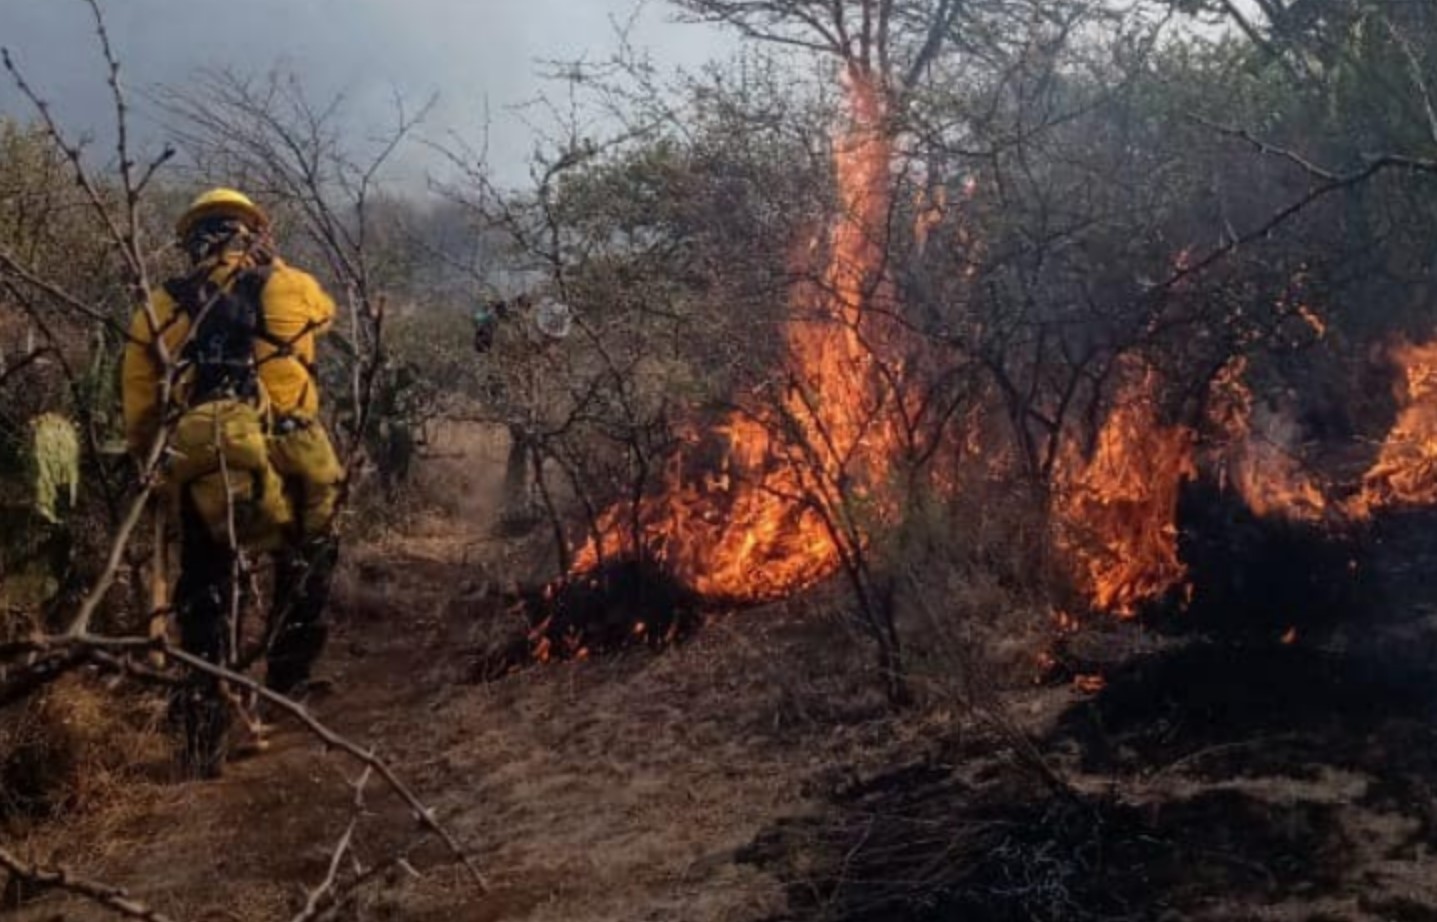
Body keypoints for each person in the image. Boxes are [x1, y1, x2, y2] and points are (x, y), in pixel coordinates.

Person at [121, 188, 345, 771]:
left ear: (192, 242)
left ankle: (205, 719)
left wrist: (157, 465)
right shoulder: (290, 286)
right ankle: (286, 682)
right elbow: (327, 313)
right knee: (309, 558)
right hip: (294, 448)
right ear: (251, 234)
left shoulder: (158, 308)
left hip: (207, 453)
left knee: (205, 586)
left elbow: (141, 407)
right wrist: (277, 267)